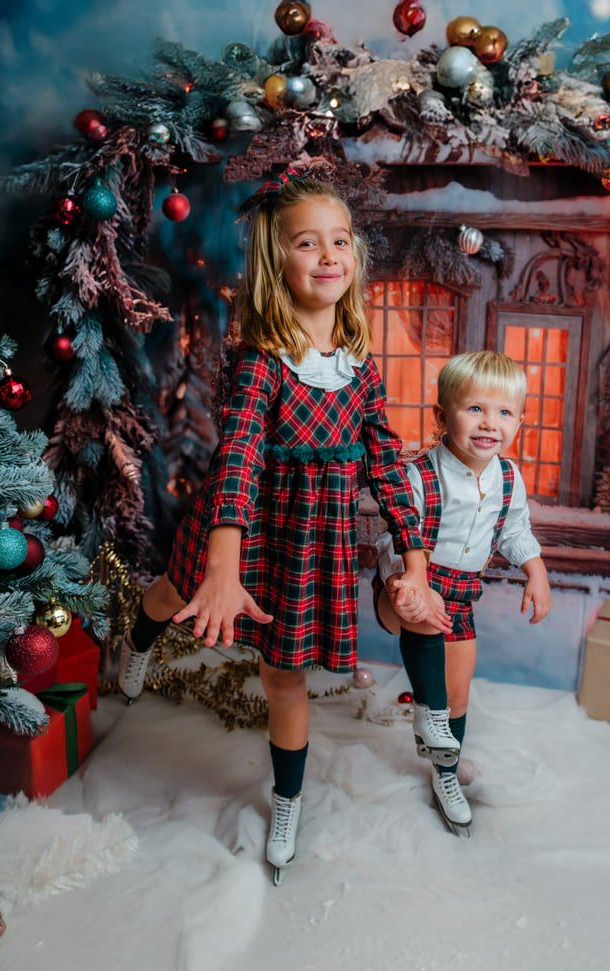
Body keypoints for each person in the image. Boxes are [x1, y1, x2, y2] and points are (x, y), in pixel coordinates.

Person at [117, 173, 450, 883]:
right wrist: (221, 567)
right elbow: (236, 456)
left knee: (284, 675)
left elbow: (386, 461)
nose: (328, 255)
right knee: (172, 597)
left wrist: (413, 554)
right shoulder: (261, 359)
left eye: (339, 241)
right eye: (308, 243)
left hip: (310, 542)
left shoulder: (359, 368)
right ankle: (140, 634)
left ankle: (287, 797)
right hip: (239, 528)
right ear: (279, 261)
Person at [374, 350, 552, 837]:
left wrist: (534, 569)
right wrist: (404, 578)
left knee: (458, 688)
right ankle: (427, 716)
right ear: (441, 416)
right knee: (421, 611)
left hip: (462, 591)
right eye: (474, 409)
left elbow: (515, 531)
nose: (489, 423)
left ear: (519, 420)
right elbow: (393, 534)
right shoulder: (421, 474)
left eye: (504, 412)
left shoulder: (508, 479)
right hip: (408, 582)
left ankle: (444, 773)